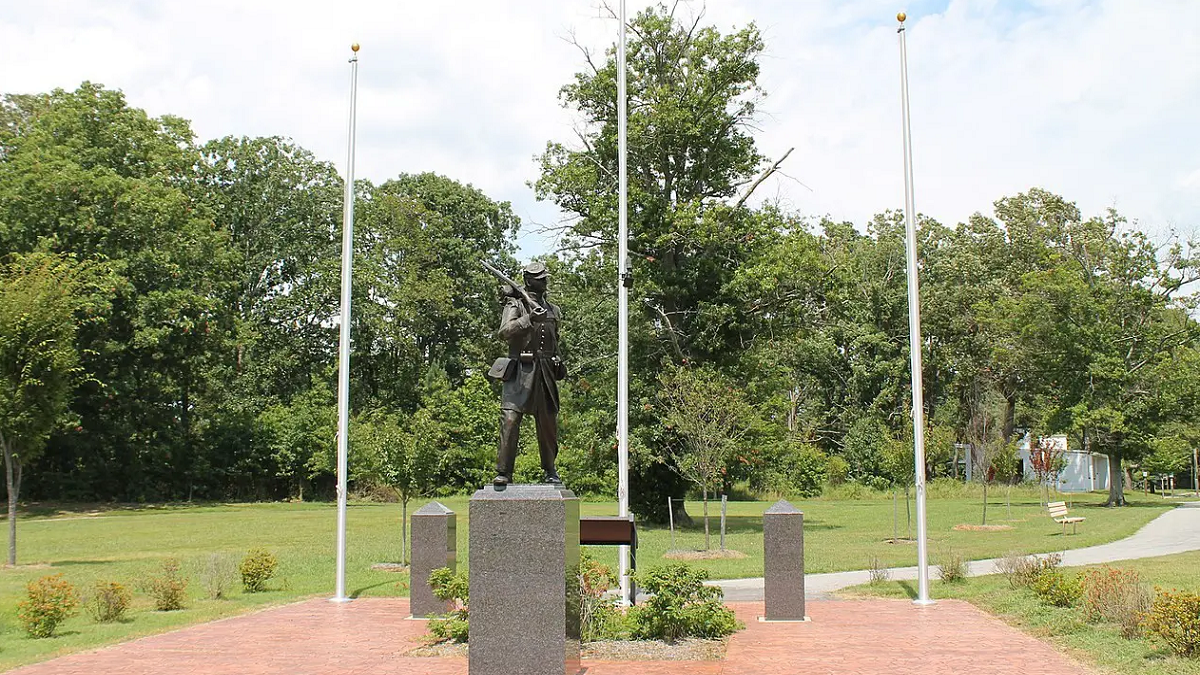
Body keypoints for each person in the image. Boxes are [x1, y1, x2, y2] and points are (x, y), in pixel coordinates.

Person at [488, 261, 567, 486]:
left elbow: (555, 340)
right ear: (528, 280)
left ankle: (550, 469)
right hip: (520, 373)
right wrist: (529, 319)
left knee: (548, 424)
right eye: (539, 277)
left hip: (545, 373)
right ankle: (504, 472)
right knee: (510, 420)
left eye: (545, 277)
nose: (544, 280)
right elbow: (504, 332)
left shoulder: (553, 310)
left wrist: (559, 360)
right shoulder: (516, 305)